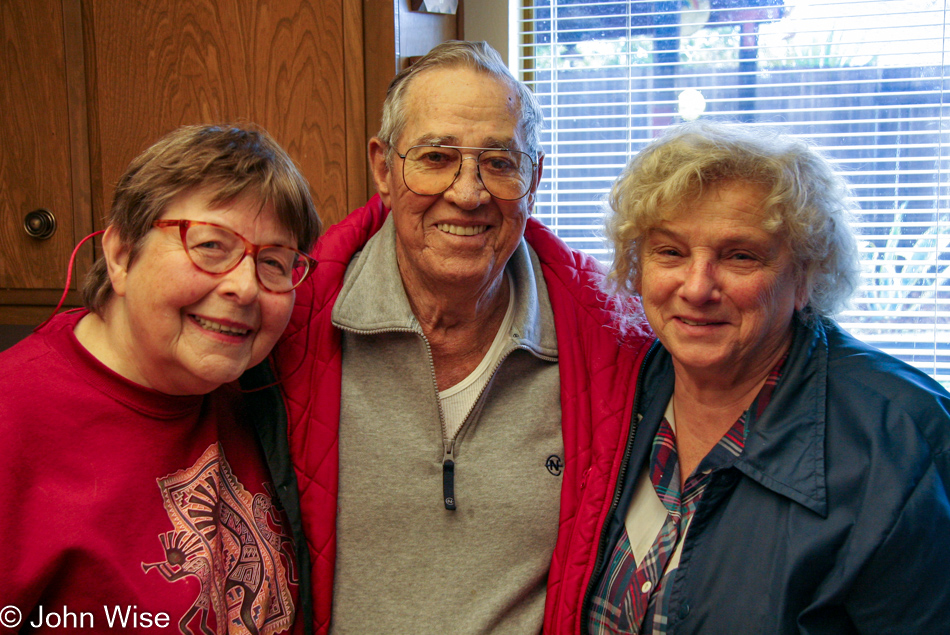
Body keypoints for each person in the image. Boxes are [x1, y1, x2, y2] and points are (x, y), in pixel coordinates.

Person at [244, 41, 654, 633]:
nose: (468, 193)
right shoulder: (287, 322)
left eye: (500, 162)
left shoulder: (615, 338)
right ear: (384, 168)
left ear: (534, 176)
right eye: (436, 157)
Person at [554, 120, 950, 633]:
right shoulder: (619, 391)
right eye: (670, 251)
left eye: (740, 256)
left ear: (806, 274)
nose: (697, 288)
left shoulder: (901, 440)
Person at [0, 124, 322, 634]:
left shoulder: (268, 391)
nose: (244, 287)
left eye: (273, 262)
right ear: (123, 255)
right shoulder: (13, 418)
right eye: (211, 245)